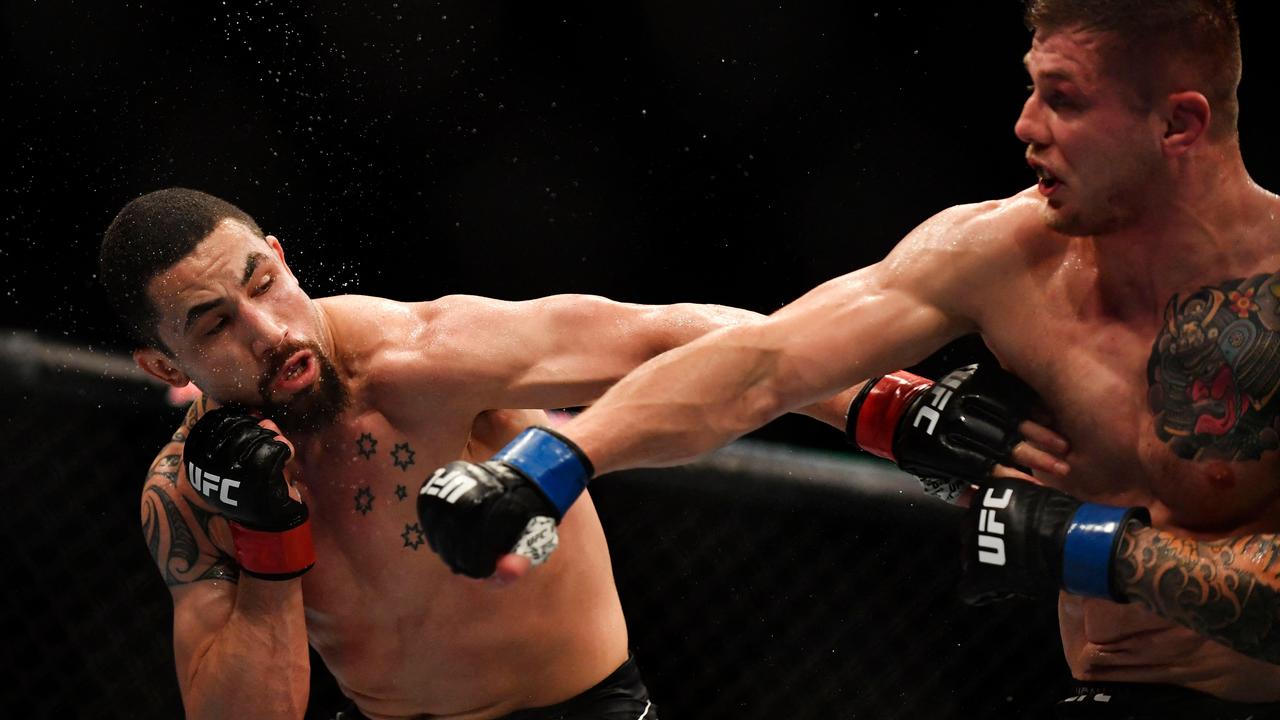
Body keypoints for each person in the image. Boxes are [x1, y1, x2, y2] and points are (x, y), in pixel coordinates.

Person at [420, 1, 1280, 717]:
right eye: (1031, 90)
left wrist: (1094, 549)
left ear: (1179, 122)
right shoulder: (1006, 255)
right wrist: (553, 465)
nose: (1025, 127)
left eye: (1065, 100)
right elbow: (765, 362)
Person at [102, 187, 885, 720]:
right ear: (165, 367)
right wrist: (269, 550)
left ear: (281, 255)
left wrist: (886, 410)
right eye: (214, 326)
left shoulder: (425, 360)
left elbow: (668, 333)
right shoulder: (185, 489)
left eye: (264, 283)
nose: (270, 331)